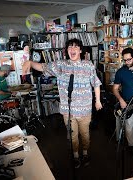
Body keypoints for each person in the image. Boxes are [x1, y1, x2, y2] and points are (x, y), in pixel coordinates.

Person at [22, 38, 103, 168]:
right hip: (68, 110)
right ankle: (76, 156)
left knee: (85, 135)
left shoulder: (88, 65)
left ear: (80, 50)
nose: (72, 49)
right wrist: (30, 62)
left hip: (85, 110)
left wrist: (97, 101)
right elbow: (42, 67)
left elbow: (96, 83)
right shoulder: (60, 65)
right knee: (72, 136)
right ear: (67, 51)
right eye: (70, 47)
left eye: (76, 47)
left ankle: (85, 153)